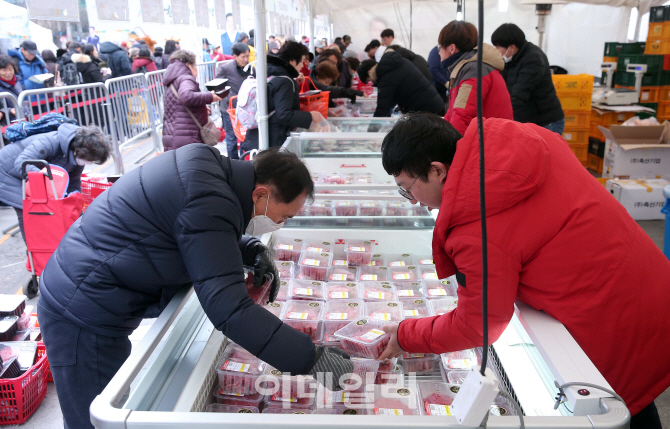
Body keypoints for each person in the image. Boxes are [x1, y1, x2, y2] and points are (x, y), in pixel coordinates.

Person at [377, 113, 670, 429]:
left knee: (629, 408)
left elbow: (478, 325)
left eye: (407, 189)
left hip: (612, 325)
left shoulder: (477, 227)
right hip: (651, 289)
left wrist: (406, 335)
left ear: (437, 170)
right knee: (639, 402)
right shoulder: (525, 141)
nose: (412, 202)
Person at [37, 145, 353, 429]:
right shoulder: (210, 199)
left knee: (108, 401)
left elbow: (194, 230)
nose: (282, 225)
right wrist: (309, 358)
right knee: (93, 421)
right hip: (81, 306)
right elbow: (230, 310)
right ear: (260, 194)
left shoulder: (210, 172)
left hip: (94, 293)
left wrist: (250, 247)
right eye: (283, 217)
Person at [0, 124, 110, 242]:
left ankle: (48, 247)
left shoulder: (78, 158)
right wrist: (47, 178)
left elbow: (73, 183)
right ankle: (35, 254)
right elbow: (22, 163)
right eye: (90, 159)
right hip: (7, 171)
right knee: (27, 210)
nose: (89, 162)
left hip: (29, 173)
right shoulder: (50, 141)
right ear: (79, 150)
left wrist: (78, 210)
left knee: (46, 210)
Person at [244, 41, 323, 150]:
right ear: (292, 61)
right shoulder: (285, 81)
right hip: (273, 140)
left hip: (259, 136)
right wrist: (310, 116)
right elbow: (284, 114)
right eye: (301, 62)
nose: (303, 65)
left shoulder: (272, 73)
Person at [438, 20, 513, 135]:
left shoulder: (474, 70)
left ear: (452, 48)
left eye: (440, 47)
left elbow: (462, 115)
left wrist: (449, 147)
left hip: (492, 142)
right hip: (491, 139)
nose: (438, 52)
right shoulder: (467, 68)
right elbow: (452, 113)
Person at [492, 23, 565, 134]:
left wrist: (499, 120)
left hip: (545, 122)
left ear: (512, 47)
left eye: (498, 47)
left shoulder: (533, 59)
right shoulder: (511, 59)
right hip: (527, 121)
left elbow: (519, 94)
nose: (496, 51)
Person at [162, 50, 222, 151]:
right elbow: (187, 97)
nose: (197, 71)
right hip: (187, 137)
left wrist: (200, 108)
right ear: (189, 65)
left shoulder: (173, 79)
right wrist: (210, 96)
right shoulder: (185, 78)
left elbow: (178, 106)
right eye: (196, 66)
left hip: (171, 136)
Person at [357, 49, 444, 117]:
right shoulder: (395, 64)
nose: (371, 82)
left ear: (369, 72)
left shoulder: (386, 76)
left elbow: (383, 107)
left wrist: (371, 131)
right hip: (433, 105)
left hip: (427, 111)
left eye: (368, 80)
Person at [215, 42, 252, 159]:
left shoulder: (251, 68)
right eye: (243, 57)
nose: (246, 59)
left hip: (246, 110)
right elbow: (217, 85)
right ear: (235, 56)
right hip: (229, 110)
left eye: (247, 56)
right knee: (231, 138)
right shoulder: (225, 68)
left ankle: (244, 161)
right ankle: (233, 163)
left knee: (245, 138)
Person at [0, 55, 22, 126]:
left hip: (22, 120)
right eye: (4, 70)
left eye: (10, 69)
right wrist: (9, 110)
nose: (8, 73)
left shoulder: (17, 82)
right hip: (8, 125)